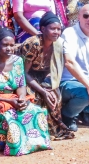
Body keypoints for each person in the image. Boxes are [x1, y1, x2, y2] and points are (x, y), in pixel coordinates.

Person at [0, 29, 52, 155]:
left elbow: (21, 85)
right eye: (5, 45)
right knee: (10, 116)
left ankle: (35, 144)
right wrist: (9, 101)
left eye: (12, 45)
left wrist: (21, 98)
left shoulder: (18, 61)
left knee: (36, 111)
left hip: (14, 99)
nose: (9, 48)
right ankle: (15, 147)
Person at [18, 12, 75, 140]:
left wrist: (49, 87)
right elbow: (23, 73)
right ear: (43, 29)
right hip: (24, 78)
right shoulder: (33, 43)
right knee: (35, 96)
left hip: (43, 77)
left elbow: (53, 69)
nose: (56, 32)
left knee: (55, 95)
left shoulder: (58, 44)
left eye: (59, 29)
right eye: (52, 29)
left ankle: (51, 129)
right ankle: (34, 130)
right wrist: (43, 91)